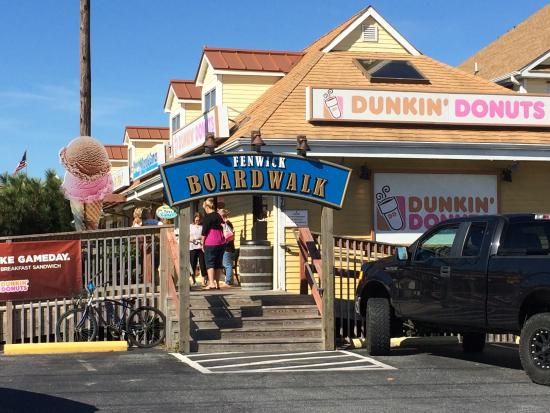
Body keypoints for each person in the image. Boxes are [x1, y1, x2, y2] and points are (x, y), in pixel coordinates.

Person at [201, 198, 225, 289]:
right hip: (221, 241)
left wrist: (202, 243)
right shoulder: (218, 216)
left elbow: (204, 232)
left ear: (206, 207)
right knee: (218, 263)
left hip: (211, 241)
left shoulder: (207, 217)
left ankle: (211, 283)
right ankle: (217, 283)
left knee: (210, 262)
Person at [219, 209, 236, 287]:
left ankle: (228, 281)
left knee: (227, 265)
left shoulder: (226, 223)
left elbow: (229, 236)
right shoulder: (228, 223)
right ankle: (229, 280)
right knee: (227, 264)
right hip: (228, 248)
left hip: (227, 248)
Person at [190, 212, 207, 286]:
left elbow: (204, 236)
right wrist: (192, 239)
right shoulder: (190, 226)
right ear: (194, 218)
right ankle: (193, 280)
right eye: (196, 218)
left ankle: (203, 281)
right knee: (192, 264)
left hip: (201, 247)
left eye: (199, 219)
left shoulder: (202, 226)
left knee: (203, 264)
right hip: (192, 247)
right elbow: (187, 236)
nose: (198, 220)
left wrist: (198, 238)